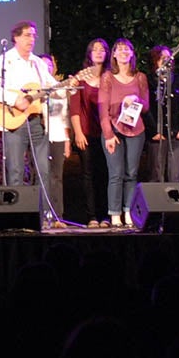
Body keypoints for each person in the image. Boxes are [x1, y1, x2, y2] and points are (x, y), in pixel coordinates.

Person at [0, 20, 55, 224]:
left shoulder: (38, 63)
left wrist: (70, 85)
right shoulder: (5, 61)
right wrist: (14, 100)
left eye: (33, 35)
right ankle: (17, 216)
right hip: (15, 121)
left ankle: (44, 215)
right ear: (16, 38)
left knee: (43, 169)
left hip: (37, 121)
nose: (31, 39)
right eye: (27, 35)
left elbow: (51, 86)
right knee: (15, 169)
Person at [99, 39, 150, 227]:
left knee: (131, 173)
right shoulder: (108, 77)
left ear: (132, 53)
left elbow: (146, 107)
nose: (123, 52)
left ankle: (129, 210)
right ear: (113, 54)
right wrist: (108, 135)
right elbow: (102, 109)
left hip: (136, 130)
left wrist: (136, 99)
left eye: (126, 49)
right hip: (114, 129)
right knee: (116, 173)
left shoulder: (140, 77)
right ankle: (114, 213)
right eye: (119, 49)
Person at [70, 38, 111, 227]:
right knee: (88, 174)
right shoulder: (80, 77)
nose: (99, 52)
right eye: (95, 49)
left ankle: (106, 216)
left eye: (102, 49)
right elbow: (75, 108)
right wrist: (78, 133)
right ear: (89, 53)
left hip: (106, 134)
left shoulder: (111, 77)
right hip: (86, 133)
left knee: (106, 173)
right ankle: (92, 216)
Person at [145, 45, 179, 183]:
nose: (165, 61)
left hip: (175, 134)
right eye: (161, 58)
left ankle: (175, 197)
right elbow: (146, 108)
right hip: (157, 135)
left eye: (168, 58)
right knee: (156, 174)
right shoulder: (149, 81)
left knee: (176, 175)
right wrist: (153, 131)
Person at [40, 54, 72, 228]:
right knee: (40, 175)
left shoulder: (60, 89)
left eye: (50, 65)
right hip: (40, 135)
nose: (47, 68)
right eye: (43, 65)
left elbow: (65, 116)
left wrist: (67, 140)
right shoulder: (34, 88)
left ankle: (57, 216)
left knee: (56, 176)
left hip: (58, 135)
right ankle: (41, 214)